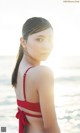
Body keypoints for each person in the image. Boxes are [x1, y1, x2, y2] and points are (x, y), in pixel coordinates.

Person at [11, 17, 61, 133]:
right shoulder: (43, 73)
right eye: (39, 39)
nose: (46, 46)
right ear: (23, 42)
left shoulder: (19, 69)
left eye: (50, 40)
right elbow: (51, 127)